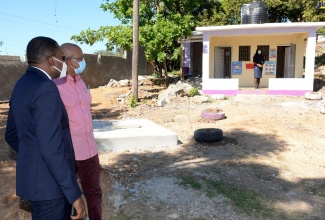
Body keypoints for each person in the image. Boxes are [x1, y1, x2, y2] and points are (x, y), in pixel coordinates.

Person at [5, 37, 86, 219]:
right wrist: (74, 194)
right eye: (61, 58)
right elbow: (52, 148)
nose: (63, 63)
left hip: (35, 185)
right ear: (52, 60)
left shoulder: (22, 83)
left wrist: (35, 156)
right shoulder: (46, 88)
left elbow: (11, 135)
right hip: (51, 189)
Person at [53, 43, 102, 220]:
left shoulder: (81, 81)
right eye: (80, 59)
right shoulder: (54, 86)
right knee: (67, 196)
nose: (83, 62)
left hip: (90, 150)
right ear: (68, 61)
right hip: (69, 153)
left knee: (94, 193)